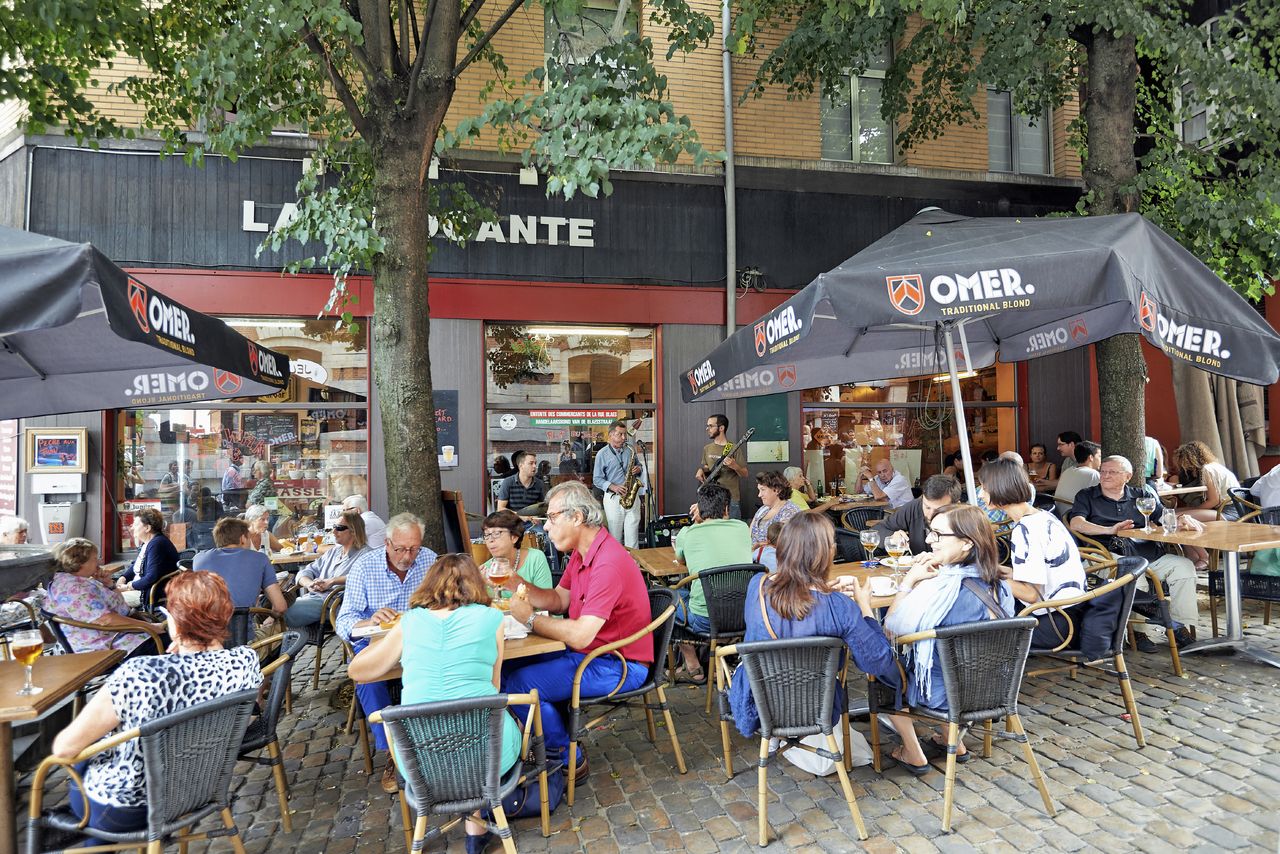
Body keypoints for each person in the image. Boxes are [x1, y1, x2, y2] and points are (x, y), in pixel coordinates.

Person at [50, 571, 262, 837]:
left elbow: (64, 748)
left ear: (173, 620)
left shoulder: (139, 674)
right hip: (197, 792)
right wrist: (186, 650)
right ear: (227, 615)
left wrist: (177, 651)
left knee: (85, 758)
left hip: (129, 808)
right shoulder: (245, 662)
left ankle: (85, 836)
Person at [349, 554, 521, 853]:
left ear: (429, 585)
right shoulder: (492, 618)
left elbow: (358, 671)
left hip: (418, 759)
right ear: (476, 584)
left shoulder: (411, 622)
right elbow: (493, 687)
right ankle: (475, 832)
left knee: (454, 724)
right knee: (491, 720)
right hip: (486, 756)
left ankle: (472, 827)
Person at [503, 482, 653, 774]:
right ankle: (548, 734)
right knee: (509, 668)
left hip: (618, 664)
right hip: (590, 654)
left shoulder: (607, 562)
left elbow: (582, 633)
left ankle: (565, 754)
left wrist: (529, 619)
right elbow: (559, 600)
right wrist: (514, 582)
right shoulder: (583, 554)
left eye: (552, 518)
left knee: (519, 685)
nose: (546, 527)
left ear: (577, 517)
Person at [730, 512, 895, 745]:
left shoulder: (757, 585)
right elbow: (878, 661)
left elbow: (791, 610)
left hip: (759, 701)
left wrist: (820, 591)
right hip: (818, 703)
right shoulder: (840, 608)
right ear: (825, 554)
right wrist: (865, 606)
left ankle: (775, 736)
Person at [880, 504, 1015, 772]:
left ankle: (911, 749)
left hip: (946, 697)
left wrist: (910, 581)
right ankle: (952, 739)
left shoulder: (939, 590)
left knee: (882, 664)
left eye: (938, 535)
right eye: (931, 532)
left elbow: (891, 629)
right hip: (995, 689)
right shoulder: (1000, 585)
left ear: (966, 543)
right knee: (942, 659)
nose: (929, 540)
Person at [336, 512, 439, 792]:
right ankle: (394, 753)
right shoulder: (364, 567)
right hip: (377, 642)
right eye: (401, 549)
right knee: (368, 679)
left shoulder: (429, 559)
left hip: (420, 640)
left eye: (413, 548)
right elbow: (344, 621)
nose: (408, 556)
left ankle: (436, 744)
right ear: (387, 543)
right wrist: (370, 621)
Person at [1069, 455, 1198, 650]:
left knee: (1184, 567)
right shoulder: (1086, 495)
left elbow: (1164, 517)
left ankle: (1178, 626)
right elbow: (1076, 523)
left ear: (1127, 476)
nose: (1105, 475)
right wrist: (1109, 530)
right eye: (1103, 471)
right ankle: (1139, 634)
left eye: (1112, 472)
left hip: (1146, 552)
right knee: (1137, 576)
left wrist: (1181, 520)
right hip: (1106, 555)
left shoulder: (1141, 496)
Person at [980, 459, 1090, 651]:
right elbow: (1041, 573)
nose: (980, 495)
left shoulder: (1025, 529)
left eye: (983, 488)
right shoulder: (1042, 516)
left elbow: (1031, 594)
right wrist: (995, 570)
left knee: (976, 617)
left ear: (999, 488)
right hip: (1073, 613)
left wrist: (990, 578)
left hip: (1055, 625)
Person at [670, 484, 752, 683]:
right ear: (726, 509)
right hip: (744, 615)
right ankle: (723, 654)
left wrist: (697, 521)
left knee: (667, 599)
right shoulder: (742, 528)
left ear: (699, 508)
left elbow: (682, 561)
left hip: (706, 620)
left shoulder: (687, 533)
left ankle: (692, 665)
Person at [46, 538, 166, 656]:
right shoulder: (73, 589)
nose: (98, 562)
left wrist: (109, 584)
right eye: (94, 559)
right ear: (78, 563)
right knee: (178, 644)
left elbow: (120, 605)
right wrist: (151, 627)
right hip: (113, 645)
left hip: (122, 636)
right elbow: (106, 620)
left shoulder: (77, 581)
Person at [285, 510, 370, 627]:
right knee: (278, 608)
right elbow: (307, 571)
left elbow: (366, 576)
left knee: (283, 611)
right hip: (314, 597)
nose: (333, 531)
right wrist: (310, 584)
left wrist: (332, 581)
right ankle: (291, 637)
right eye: (334, 527)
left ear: (354, 531)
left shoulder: (366, 554)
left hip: (333, 603)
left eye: (339, 528)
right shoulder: (334, 552)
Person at [1169, 441, 1240, 569]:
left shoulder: (1208, 470)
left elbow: (1214, 501)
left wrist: (1192, 511)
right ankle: (1193, 558)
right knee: (1175, 514)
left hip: (1227, 511)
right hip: (1232, 509)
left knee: (1179, 518)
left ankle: (1204, 557)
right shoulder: (1215, 466)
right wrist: (1191, 510)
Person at [192, 517, 288, 611]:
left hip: (205, 624)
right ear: (243, 538)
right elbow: (280, 606)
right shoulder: (260, 559)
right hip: (242, 624)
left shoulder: (199, 558)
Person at [871, 474, 962, 556]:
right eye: (927, 507)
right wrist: (892, 537)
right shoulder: (916, 507)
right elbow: (877, 530)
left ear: (956, 506)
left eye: (939, 510)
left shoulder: (966, 521)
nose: (930, 515)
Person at [592, 419, 646, 548]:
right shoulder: (602, 454)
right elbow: (597, 479)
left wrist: (638, 468)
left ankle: (633, 566)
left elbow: (638, 465)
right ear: (610, 435)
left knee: (633, 538)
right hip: (613, 498)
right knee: (615, 538)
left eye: (624, 435)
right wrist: (613, 486)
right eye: (620, 435)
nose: (623, 438)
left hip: (632, 496)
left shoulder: (630, 449)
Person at [479, 509, 553, 597]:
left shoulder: (535, 558)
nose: (490, 540)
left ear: (514, 537)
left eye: (496, 533)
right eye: (486, 535)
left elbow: (546, 600)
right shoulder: (486, 570)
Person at [116, 508, 179, 605]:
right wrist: (123, 578)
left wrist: (128, 586)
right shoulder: (147, 543)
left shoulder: (157, 544)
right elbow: (136, 566)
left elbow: (151, 577)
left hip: (146, 593)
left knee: (106, 601)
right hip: (137, 588)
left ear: (147, 528)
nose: (132, 528)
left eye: (136, 524)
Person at [696, 414, 747, 519]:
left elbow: (745, 473)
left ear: (721, 428)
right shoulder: (707, 448)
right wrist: (701, 470)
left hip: (731, 499)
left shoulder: (734, 448)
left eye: (711, 426)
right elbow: (707, 468)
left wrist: (734, 466)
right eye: (707, 426)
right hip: (712, 498)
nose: (707, 429)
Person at [749, 471, 801, 547]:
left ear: (777, 490)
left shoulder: (790, 511)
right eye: (759, 490)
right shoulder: (763, 509)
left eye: (763, 490)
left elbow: (786, 545)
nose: (759, 495)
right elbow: (749, 534)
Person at [497, 449, 548, 521]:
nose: (534, 466)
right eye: (531, 463)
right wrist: (518, 516)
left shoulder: (539, 484)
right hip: (512, 521)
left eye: (535, 463)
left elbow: (543, 507)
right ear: (521, 466)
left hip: (532, 522)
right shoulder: (508, 482)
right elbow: (500, 509)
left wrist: (537, 516)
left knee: (541, 532)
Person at [1054, 440, 1101, 507]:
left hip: (1059, 512)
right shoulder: (1092, 474)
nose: (1101, 460)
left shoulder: (1068, 471)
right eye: (1099, 456)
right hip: (1075, 513)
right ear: (1091, 457)